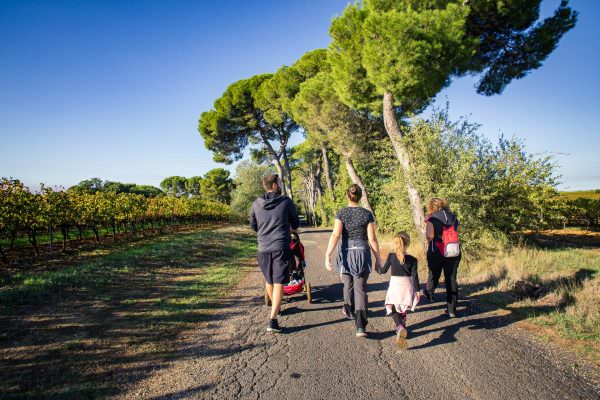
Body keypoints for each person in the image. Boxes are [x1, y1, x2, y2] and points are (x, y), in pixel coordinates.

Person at [325, 184, 382, 338]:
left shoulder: (342, 212)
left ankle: (349, 310)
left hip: (346, 253)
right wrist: (378, 259)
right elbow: (372, 238)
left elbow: (336, 235)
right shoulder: (367, 214)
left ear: (347, 196)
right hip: (363, 252)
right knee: (360, 289)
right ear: (360, 196)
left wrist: (328, 254)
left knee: (348, 283)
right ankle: (361, 326)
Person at [250, 174, 300, 333]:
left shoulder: (256, 203)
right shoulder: (286, 202)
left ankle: (276, 309)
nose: (280, 184)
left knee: (269, 280)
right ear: (274, 185)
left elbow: (253, 225)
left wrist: (264, 232)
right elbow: (296, 223)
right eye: (279, 182)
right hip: (280, 246)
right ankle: (273, 320)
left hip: (263, 248)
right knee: (279, 282)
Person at [378, 232, 420, 349]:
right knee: (403, 308)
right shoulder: (413, 260)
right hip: (407, 286)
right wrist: (417, 291)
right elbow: (415, 277)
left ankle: (400, 327)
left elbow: (383, 270)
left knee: (391, 307)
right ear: (408, 244)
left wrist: (378, 268)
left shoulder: (391, 256)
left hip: (395, 286)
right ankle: (402, 329)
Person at [422, 197, 461, 318]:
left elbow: (429, 236)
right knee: (451, 279)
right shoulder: (454, 217)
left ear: (431, 207)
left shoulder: (432, 218)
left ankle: (430, 293)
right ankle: (451, 310)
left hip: (437, 251)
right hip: (453, 251)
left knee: (434, 274)